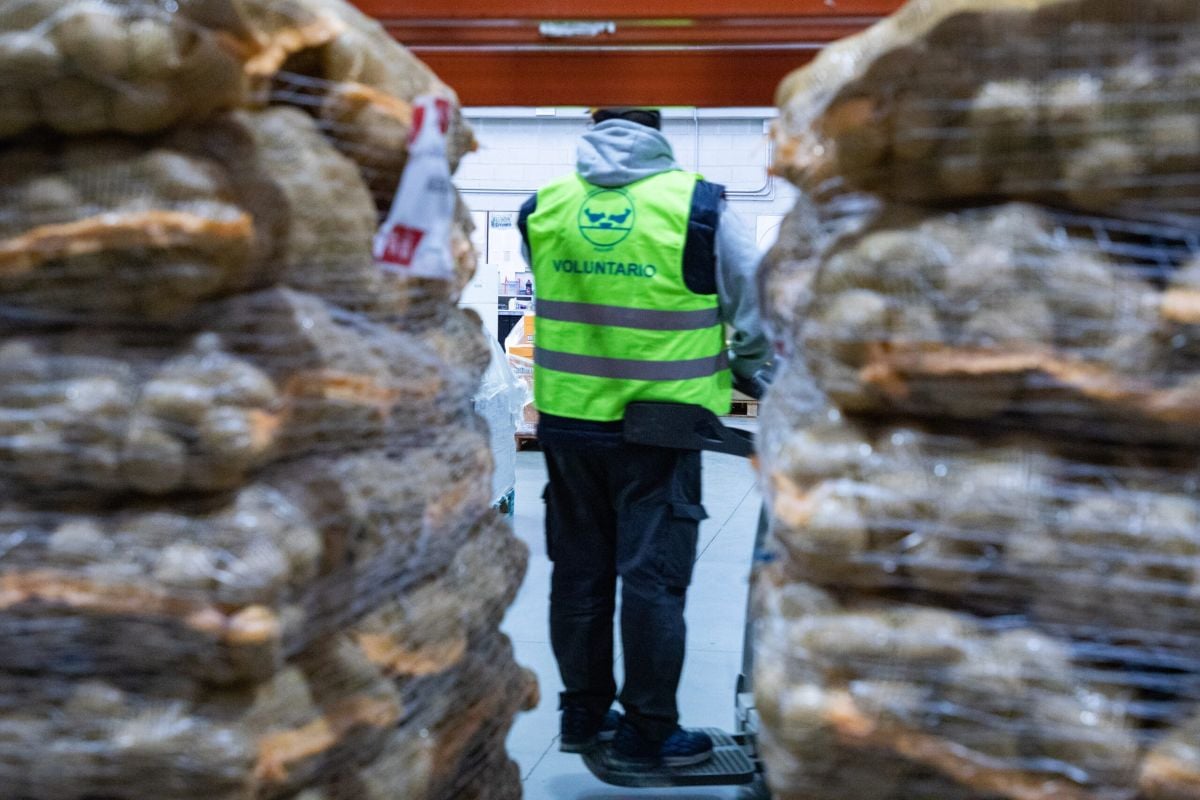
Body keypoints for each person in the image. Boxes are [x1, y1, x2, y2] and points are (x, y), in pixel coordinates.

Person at [517, 107, 769, 769]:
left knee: (579, 573)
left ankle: (581, 714)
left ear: (594, 124)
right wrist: (750, 364)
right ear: (658, 131)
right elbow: (755, 307)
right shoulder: (700, 207)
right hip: (662, 425)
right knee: (653, 580)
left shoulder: (543, 207)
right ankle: (650, 731)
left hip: (569, 421)